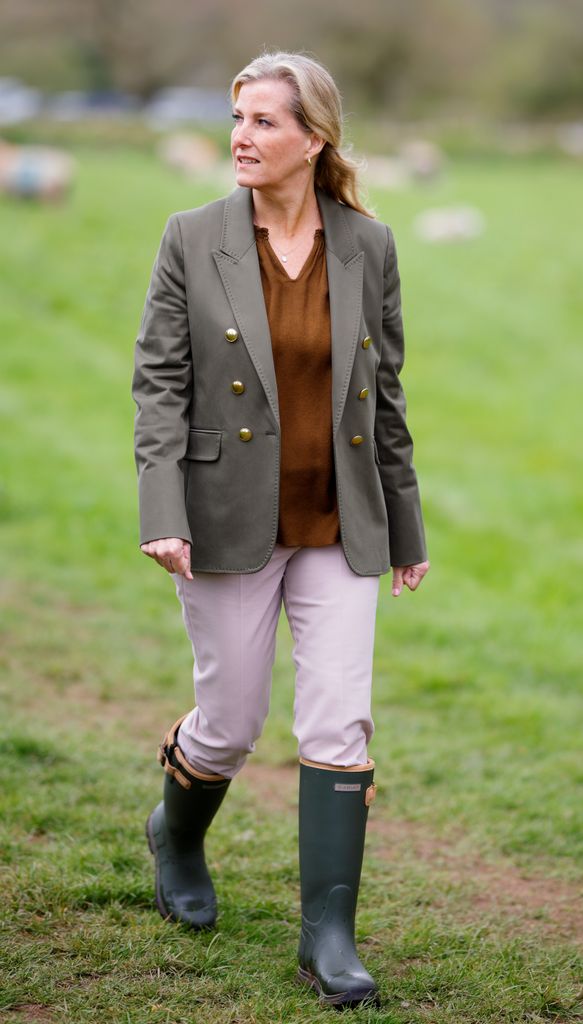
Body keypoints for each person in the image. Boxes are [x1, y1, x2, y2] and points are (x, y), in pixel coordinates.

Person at [131, 50, 429, 1010]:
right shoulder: (191, 236)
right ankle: (176, 833)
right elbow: (160, 388)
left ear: (315, 137)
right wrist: (162, 511)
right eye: (238, 118)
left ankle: (327, 939)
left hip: (341, 524)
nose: (241, 138)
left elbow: (382, 396)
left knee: (339, 719)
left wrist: (407, 523)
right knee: (229, 724)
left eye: (264, 121)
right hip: (222, 517)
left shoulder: (367, 245)